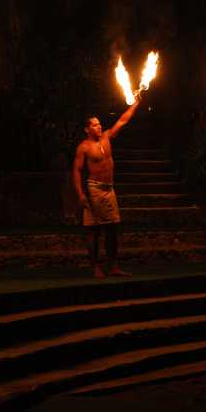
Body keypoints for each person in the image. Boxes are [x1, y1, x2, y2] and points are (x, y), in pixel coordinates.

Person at [72, 97, 142, 278]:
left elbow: (123, 120)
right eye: (95, 125)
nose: (99, 127)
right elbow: (77, 171)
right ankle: (96, 266)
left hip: (109, 189)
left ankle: (113, 266)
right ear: (87, 129)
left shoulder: (107, 137)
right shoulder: (84, 147)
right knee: (94, 230)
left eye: (99, 124)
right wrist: (80, 194)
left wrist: (136, 103)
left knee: (112, 229)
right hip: (94, 189)